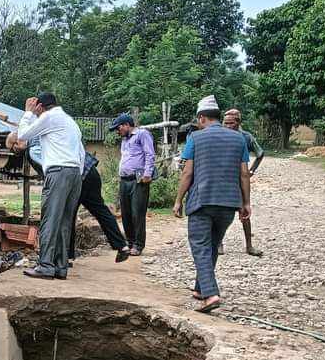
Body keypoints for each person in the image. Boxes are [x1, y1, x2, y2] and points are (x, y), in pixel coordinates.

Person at [172, 95, 252, 314]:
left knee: (199, 246)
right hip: (228, 203)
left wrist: (178, 200)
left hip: (202, 201)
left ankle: (210, 294)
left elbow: (188, 172)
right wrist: (246, 203)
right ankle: (200, 288)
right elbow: (244, 174)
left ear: (201, 118)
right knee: (212, 244)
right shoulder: (238, 139)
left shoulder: (196, 138)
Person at [6, 92, 84, 280]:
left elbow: (24, 134)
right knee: (65, 222)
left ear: (40, 107)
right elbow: (80, 152)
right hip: (75, 173)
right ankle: (60, 266)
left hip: (58, 172)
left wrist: (27, 113)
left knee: (50, 219)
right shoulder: (69, 121)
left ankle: (46, 266)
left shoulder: (49, 117)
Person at [23, 138, 130, 263]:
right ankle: (122, 246)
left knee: (67, 215)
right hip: (90, 171)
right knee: (100, 211)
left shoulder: (34, 149)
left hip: (76, 177)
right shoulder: (53, 137)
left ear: (19, 142)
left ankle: (66, 256)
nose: (14, 151)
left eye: (14, 147)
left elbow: (50, 167)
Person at [110, 112, 156, 256]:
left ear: (127, 125)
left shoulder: (142, 134)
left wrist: (148, 173)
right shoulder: (124, 139)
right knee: (126, 213)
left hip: (139, 179)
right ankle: (129, 242)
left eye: (119, 128)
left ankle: (138, 244)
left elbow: (149, 154)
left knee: (137, 213)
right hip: (125, 180)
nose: (118, 131)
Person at [224, 108, 264, 256]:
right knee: (220, 211)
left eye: (231, 123)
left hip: (240, 179)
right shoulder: (221, 136)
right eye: (225, 123)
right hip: (223, 178)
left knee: (244, 211)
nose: (227, 126)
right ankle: (219, 244)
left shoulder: (246, 137)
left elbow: (260, 153)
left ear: (238, 122)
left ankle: (249, 245)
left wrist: (251, 170)